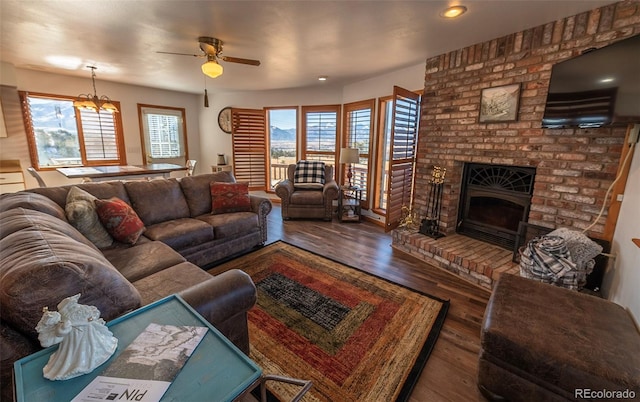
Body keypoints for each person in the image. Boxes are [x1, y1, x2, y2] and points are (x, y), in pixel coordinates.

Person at [35, 294, 118, 380]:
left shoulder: (81, 312)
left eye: (75, 305)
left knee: (94, 343)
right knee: (78, 351)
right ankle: (79, 362)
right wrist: (64, 329)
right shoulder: (65, 322)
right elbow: (59, 333)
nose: (76, 307)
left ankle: (93, 354)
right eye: (73, 307)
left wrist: (90, 319)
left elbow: (92, 315)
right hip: (75, 340)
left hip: (90, 335)